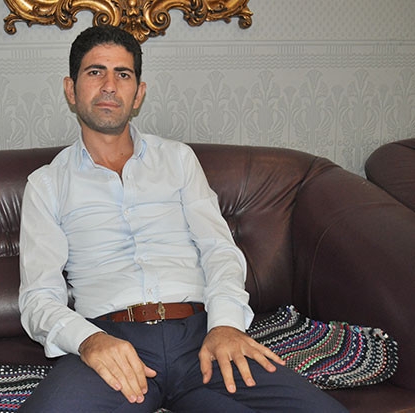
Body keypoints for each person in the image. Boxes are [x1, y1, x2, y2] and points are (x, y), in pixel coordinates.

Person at [18, 25, 346, 412]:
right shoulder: (47, 184)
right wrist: (89, 341)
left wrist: (225, 324)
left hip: (202, 337)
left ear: (138, 93)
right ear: (71, 90)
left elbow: (219, 250)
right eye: (95, 72)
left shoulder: (177, 160)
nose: (109, 86)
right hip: (113, 345)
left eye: (123, 74)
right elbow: (38, 298)